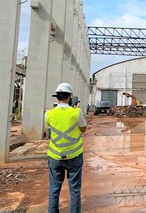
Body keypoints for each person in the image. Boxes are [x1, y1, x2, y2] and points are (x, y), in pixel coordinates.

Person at [45, 83, 87, 213]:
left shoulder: (49, 114)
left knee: (54, 189)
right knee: (75, 189)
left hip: (55, 156)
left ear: (57, 97)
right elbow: (83, 129)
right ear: (70, 97)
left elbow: (49, 131)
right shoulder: (76, 112)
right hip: (74, 157)